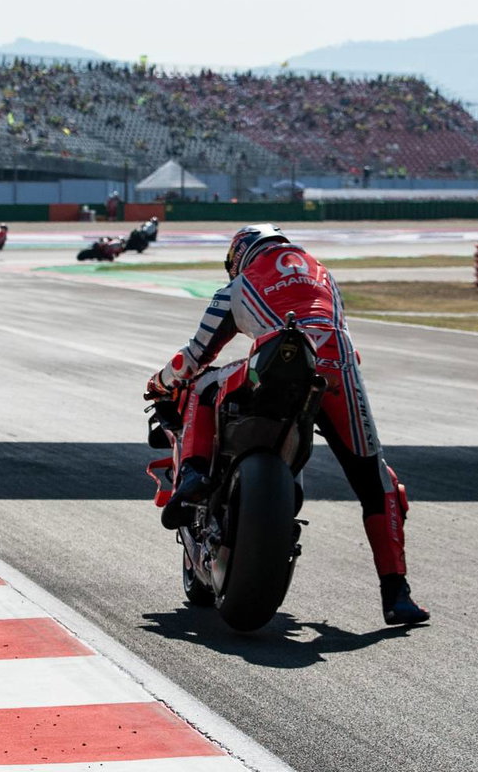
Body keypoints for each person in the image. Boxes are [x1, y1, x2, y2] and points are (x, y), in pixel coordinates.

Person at [146, 224, 429, 625]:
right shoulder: (325, 275)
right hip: (336, 369)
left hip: (270, 365)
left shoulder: (236, 287)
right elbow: (336, 327)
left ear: (239, 256)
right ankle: (397, 594)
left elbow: (194, 356)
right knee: (376, 480)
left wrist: (159, 382)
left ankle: (192, 472)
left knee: (203, 386)